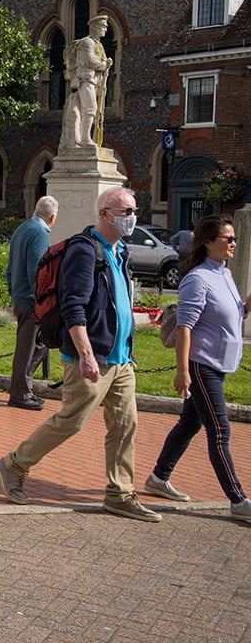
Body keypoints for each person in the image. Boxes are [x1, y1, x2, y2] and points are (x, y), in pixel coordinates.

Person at [0, 187, 161, 522]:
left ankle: (119, 493)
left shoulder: (120, 251)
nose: (132, 218)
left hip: (121, 359)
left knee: (125, 425)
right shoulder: (84, 251)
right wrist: (85, 354)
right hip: (91, 357)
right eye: (125, 211)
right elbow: (73, 307)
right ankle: (14, 464)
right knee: (72, 420)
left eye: (133, 210)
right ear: (104, 213)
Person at [146, 215, 251, 524]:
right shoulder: (198, 278)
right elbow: (186, 327)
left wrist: (245, 309)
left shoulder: (224, 275)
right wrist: (183, 371)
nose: (233, 243)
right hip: (202, 363)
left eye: (234, 238)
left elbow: (225, 319)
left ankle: (158, 477)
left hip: (219, 364)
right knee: (220, 431)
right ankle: (238, 500)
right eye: (227, 238)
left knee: (189, 423)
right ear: (207, 242)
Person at [5, 195, 59, 410]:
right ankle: (20, 393)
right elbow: (37, 271)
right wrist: (42, 301)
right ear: (52, 217)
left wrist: (14, 294)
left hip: (22, 297)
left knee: (37, 345)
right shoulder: (39, 233)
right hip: (31, 300)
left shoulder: (22, 229)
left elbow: (11, 268)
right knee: (29, 348)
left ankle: (24, 389)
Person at [59, 15, 112, 152]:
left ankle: (85, 137)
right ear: (95, 27)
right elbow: (91, 61)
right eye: (103, 26)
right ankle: (85, 139)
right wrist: (105, 64)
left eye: (105, 27)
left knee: (89, 109)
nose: (105, 29)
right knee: (90, 108)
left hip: (95, 81)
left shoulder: (98, 45)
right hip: (85, 79)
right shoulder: (86, 43)